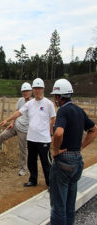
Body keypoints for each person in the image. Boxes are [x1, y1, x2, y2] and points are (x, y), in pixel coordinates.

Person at [49, 79, 97, 225]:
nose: (54, 99)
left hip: (63, 162)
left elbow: (58, 133)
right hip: (77, 161)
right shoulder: (79, 111)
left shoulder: (63, 111)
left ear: (59, 97)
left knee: (59, 207)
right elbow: (94, 129)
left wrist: (55, 150)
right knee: (70, 206)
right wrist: (81, 146)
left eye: (55, 96)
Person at [0, 78, 56, 187]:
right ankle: (33, 180)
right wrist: (7, 120)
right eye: (35, 88)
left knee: (46, 162)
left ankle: (50, 183)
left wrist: (51, 132)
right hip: (31, 138)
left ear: (43, 89)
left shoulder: (48, 103)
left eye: (39, 88)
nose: (37, 91)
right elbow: (18, 113)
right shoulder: (30, 104)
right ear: (33, 90)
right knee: (31, 161)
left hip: (44, 139)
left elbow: (53, 118)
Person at [0, 82, 32, 176]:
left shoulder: (33, 103)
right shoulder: (20, 100)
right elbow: (16, 112)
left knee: (23, 149)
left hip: (24, 130)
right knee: (2, 135)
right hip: (16, 125)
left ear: (31, 91)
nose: (25, 93)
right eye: (23, 91)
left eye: (27, 91)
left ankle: (23, 168)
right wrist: (12, 123)